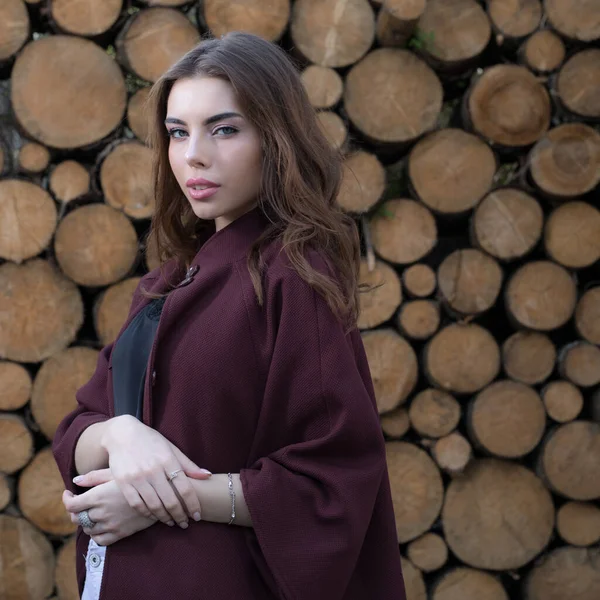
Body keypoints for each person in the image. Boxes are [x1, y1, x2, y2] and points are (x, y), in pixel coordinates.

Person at [52, 31, 406, 600]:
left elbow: (332, 481)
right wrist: (121, 436)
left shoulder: (293, 277)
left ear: (276, 138)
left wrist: (160, 495)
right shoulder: (166, 283)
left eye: (224, 129)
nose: (193, 154)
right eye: (177, 132)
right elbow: (77, 427)